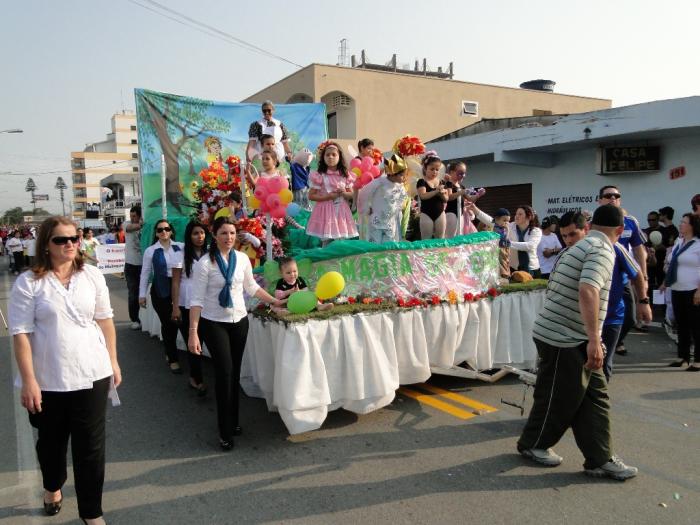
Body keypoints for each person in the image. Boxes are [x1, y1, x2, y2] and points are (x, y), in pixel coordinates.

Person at [8, 216, 120, 524]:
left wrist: (113, 361)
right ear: (46, 244)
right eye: (61, 239)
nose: (70, 244)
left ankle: (92, 512)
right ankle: (52, 485)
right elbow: (20, 334)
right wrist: (29, 381)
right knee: (51, 443)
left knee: (91, 447)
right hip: (49, 379)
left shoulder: (92, 276)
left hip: (91, 373)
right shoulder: (29, 282)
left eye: (75, 238)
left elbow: (106, 320)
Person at [517, 204, 638, 481]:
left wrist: (591, 340)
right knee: (560, 397)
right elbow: (588, 289)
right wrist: (595, 340)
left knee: (595, 397)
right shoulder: (602, 249)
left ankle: (600, 458)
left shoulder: (582, 247)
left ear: (591, 225)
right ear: (619, 230)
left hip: (571, 335)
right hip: (563, 337)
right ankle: (533, 444)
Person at [188, 217, 282, 450]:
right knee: (224, 373)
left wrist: (275, 302)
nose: (228, 238)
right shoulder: (205, 264)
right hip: (213, 323)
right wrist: (193, 332)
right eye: (223, 233)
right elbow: (197, 300)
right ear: (214, 235)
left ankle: (234, 421)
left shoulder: (241, 259)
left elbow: (251, 287)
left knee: (235, 373)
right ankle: (224, 430)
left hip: (239, 320)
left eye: (232, 233)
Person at [597, 186, 647, 356]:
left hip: (623, 276)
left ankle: (614, 341)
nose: (612, 198)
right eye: (608, 195)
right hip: (599, 276)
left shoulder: (630, 222)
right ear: (600, 200)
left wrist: (644, 275)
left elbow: (639, 249)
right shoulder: (593, 223)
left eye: (616, 196)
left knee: (630, 318)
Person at [138, 219, 184, 374]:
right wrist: (142, 295)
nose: (163, 231)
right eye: (160, 230)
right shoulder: (150, 251)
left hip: (179, 288)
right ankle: (172, 358)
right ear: (156, 233)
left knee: (180, 322)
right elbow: (145, 273)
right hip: (160, 290)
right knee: (169, 323)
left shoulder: (181, 247)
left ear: (171, 230)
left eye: (166, 228)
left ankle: (170, 350)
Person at [171, 221, 209, 394]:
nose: (199, 236)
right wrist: (175, 307)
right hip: (187, 302)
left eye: (202, 233)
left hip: (207, 302)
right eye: (195, 233)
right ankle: (196, 378)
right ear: (189, 235)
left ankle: (197, 375)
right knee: (193, 342)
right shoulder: (180, 254)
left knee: (204, 339)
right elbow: (176, 282)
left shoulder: (210, 253)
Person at [661, 213, 700, 370]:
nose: (680, 224)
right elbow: (673, 264)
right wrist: (665, 282)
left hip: (693, 290)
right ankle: (683, 357)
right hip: (677, 289)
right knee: (681, 324)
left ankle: (698, 360)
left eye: (684, 222)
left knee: (696, 325)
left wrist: (699, 290)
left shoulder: (698, 244)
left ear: (692, 226)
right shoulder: (679, 242)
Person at [305, 141, 358, 246]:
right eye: (327, 155)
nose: (330, 157)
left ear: (339, 157)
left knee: (341, 239)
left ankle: (339, 260)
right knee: (327, 239)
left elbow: (351, 194)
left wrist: (344, 193)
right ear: (323, 157)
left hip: (341, 210)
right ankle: (326, 260)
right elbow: (311, 195)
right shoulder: (320, 176)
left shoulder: (345, 175)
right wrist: (327, 196)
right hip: (326, 212)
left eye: (334, 155)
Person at [357, 153, 409, 244]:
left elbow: (402, 198)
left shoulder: (400, 187)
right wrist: (366, 208)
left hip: (390, 222)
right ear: (393, 174)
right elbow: (364, 194)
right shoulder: (379, 183)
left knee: (389, 244)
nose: (404, 178)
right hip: (376, 220)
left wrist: (397, 209)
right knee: (375, 244)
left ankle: (387, 258)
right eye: (402, 175)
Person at [246, 101, 292, 165]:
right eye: (264, 111)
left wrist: (289, 153)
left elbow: (285, 142)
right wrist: (248, 156)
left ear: (273, 110)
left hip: (279, 156)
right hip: (261, 156)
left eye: (269, 110)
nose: (266, 112)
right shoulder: (255, 124)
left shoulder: (280, 124)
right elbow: (251, 143)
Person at [416, 153, 449, 239]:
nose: (435, 172)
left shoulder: (441, 182)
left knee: (440, 239)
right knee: (426, 240)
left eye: (437, 170)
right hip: (426, 214)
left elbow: (446, 199)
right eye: (432, 169)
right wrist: (436, 191)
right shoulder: (421, 181)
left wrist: (441, 194)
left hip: (440, 213)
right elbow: (423, 196)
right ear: (425, 168)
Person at [123, 206, 143, 330]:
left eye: (135, 216)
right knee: (133, 294)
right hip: (130, 265)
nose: (132, 218)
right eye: (131, 216)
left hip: (144, 265)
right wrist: (142, 223)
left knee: (145, 293)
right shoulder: (127, 224)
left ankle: (145, 318)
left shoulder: (144, 225)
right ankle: (135, 319)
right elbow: (132, 228)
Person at [508, 205, 542, 277]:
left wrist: (509, 243)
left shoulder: (536, 231)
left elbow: (530, 245)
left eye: (520, 214)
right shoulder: (511, 226)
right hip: (514, 268)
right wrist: (477, 211)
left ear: (529, 217)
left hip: (532, 269)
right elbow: (494, 222)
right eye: (516, 214)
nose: (516, 216)